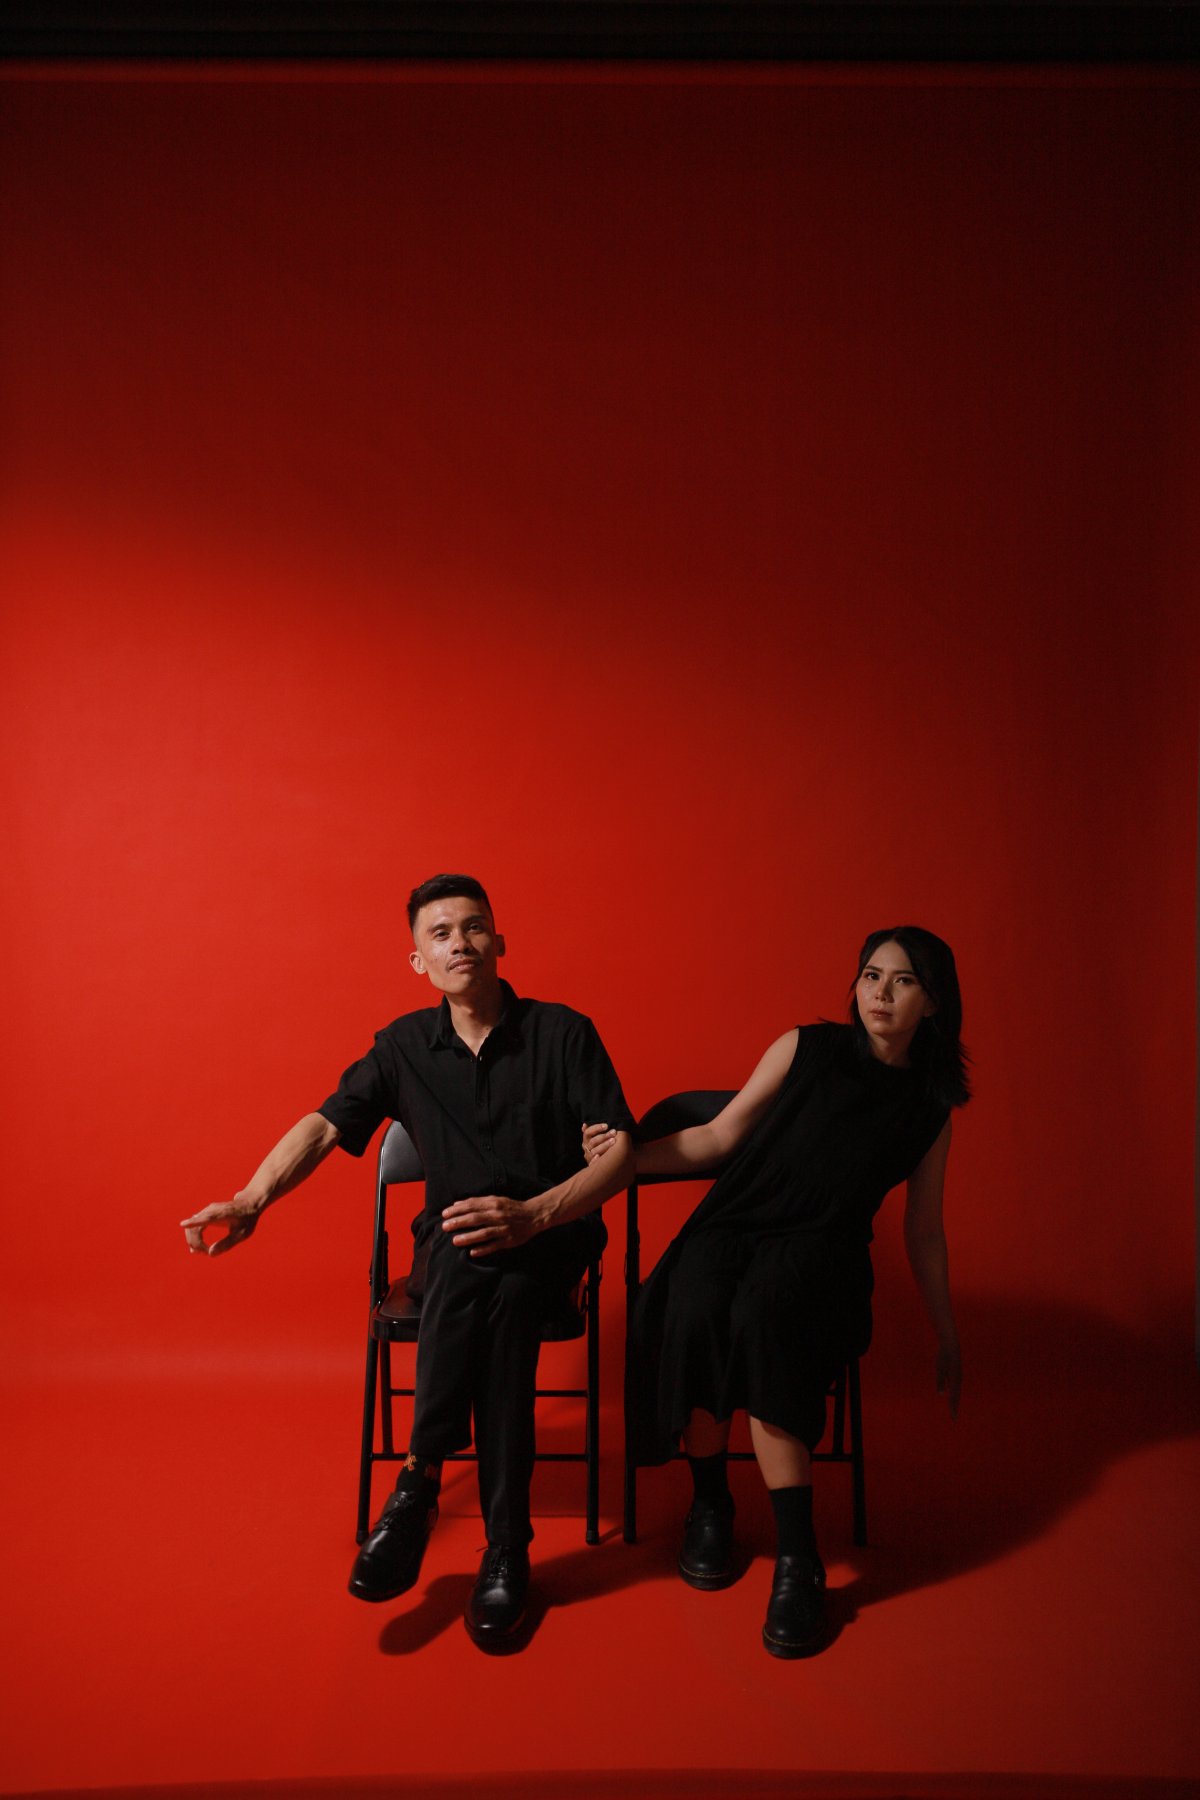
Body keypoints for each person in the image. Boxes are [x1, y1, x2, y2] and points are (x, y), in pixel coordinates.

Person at [180, 874, 634, 1649]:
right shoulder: (401, 1047)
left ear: (499, 941)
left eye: (474, 927)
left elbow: (620, 1154)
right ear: (419, 961)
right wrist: (253, 1196)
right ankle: (506, 1548)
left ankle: (420, 1480)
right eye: (441, 933)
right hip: (460, 1252)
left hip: (551, 1234)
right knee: (481, 1269)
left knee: (493, 1265)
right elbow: (325, 1126)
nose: (460, 942)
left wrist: (532, 1215)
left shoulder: (564, 1033)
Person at [584, 925, 968, 1659]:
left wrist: (946, 1330)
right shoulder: (805, 1047)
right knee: (693, 1304)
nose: (881, 993)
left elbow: (923, 1231)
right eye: (871, 975)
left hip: (823, 1251)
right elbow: (718, 1137)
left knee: (767, 1315)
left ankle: (799, 1559)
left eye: (903, 981)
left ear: (935, 1002)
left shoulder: (929, 1107)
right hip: (735, 1224)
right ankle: (710, 1503)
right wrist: (621, 1162)